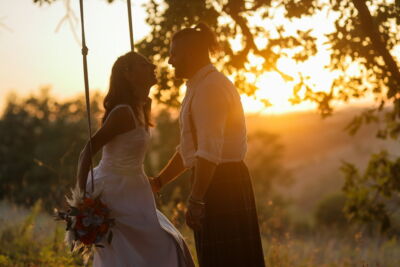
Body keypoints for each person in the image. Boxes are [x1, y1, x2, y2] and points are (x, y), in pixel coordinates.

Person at [150, 23, 265, 267]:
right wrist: (159, 181)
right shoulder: (198, 86)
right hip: (217, 179)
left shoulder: (210, 88)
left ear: (191, 53)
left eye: (174, 53)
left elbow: (208, 151)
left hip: (223, 184)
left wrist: (197, 199)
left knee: (228, 260)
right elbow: (191, 149)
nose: (170, 61)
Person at [75, 51, 195, 267]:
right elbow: (87, 151)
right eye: (144, 64)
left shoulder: (142, 107)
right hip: (115, 190)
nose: (152, 67)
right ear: (128, 74)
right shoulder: (123, 113)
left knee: (163, 245)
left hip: (136, 189)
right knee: (135, 252)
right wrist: (82, 198)